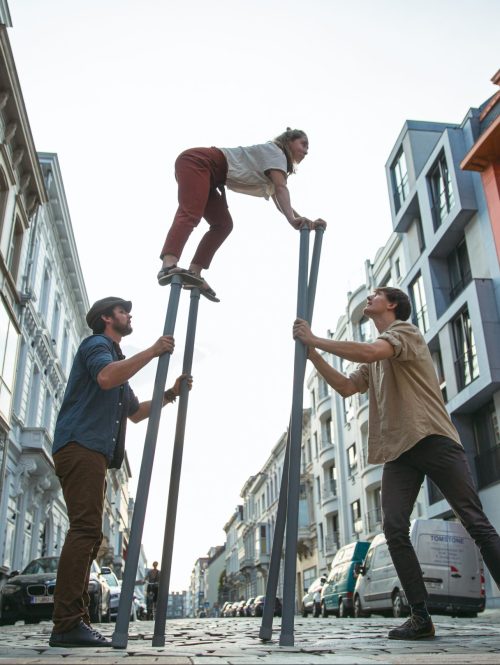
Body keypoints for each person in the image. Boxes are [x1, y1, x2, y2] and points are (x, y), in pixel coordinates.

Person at [293, 286, 500, 640]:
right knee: (393, 528)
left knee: (474, 521)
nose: (370, 298)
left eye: (375, 295)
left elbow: (373, 350)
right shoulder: (372, 362)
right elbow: (345, 387)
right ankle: (421, 617)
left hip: (433, 438)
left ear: (391, 305)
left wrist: (316, 340)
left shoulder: (403, 332)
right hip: (400, 451)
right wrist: (313, 356)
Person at [49, 297, 191, 648]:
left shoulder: (115, 360)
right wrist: (155, 351)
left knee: (89, 533)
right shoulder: (98, 346)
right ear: (105, 318)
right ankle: (67, 623)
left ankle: (73, 620)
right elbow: (106, 377)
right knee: (85, 531)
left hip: (92, 451)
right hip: (80, 445)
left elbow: (137, 412)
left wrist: (171, 393)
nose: (129, 315)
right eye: (122, 311)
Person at [157, 128, 326, 302]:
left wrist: (301, 220)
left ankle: (195, 272)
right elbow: (281, 189)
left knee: (222, 225)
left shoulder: (276, 162)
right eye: (303, 144)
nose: (306, 150)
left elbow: (279, 196)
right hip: (198, 162)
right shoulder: (276, 152)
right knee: (191, 212)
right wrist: (293, 220)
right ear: (289, 141)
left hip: (212, 176)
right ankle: (168, 264)